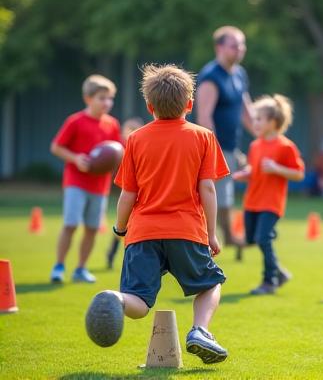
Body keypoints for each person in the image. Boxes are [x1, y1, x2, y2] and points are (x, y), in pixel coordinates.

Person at [85, 64, 230, 364]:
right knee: (210, 284)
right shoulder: (203, 137)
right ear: (189, 104)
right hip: (186, 230)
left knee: (138, 300)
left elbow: (128, 194)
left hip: (142, 233)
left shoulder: (135, 139)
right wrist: (211, 233)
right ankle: (200, 330)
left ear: (149, 106)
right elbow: (209, 190)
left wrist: (120, 228)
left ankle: (116, 299)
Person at [50, 74, 121, 284]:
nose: (107, 103)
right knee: (71, 224)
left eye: (110, 98)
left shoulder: (112, 124)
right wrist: (75, 158)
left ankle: (80, 268)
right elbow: (56, 147)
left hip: (100, 186)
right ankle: (59, 266)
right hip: (76, 182)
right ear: (88, 99)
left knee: (91, 228)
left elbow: (118, 153)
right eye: (102, 98)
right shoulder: (75, 121)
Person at [233, 94, 305, 295]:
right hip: (252, 201)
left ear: (273, 122)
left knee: (262, 238)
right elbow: (255, 170)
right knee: (251, 240)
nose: (254, 122)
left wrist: (277, 168)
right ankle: (279, 271)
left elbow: (299, 174)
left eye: (258, 119)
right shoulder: (255, 146)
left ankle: (269, 281)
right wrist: (246, 174)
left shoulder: (285, 146)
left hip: (271, 203)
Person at [196, 26, 253, 250]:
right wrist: (214, 149)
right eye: (234, 45)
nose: (240, 49)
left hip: (232, 145)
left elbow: (246, 111)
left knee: (226, 193)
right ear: (219, 47)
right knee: (218, 193)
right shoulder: (211, 76)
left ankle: (228, 236)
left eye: (242, 44)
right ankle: (220, 237)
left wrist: (265, 137)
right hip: (215, 147)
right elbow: (204, 117)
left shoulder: (239, 73)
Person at [105, 117, 144, 269]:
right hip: (124, 191)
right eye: (128, 130)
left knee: (130, 226)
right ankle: (112, 254)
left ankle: (124, 257)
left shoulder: (141, 144)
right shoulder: (118, 147)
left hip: (138, 192)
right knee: (122, 224)